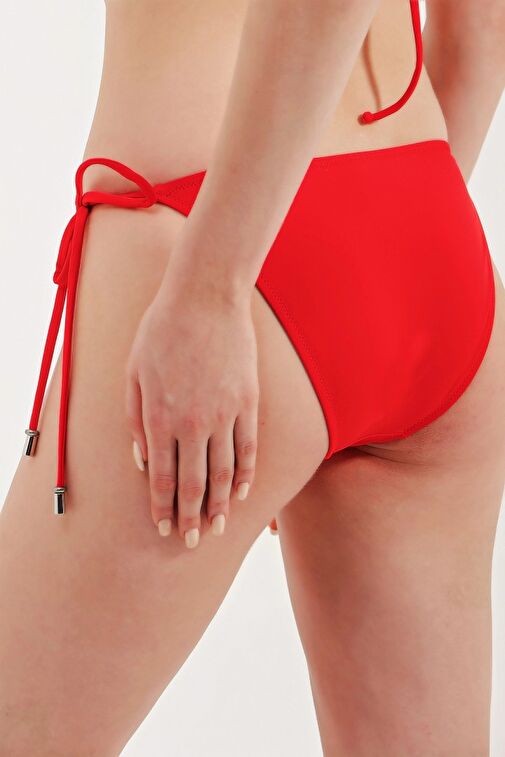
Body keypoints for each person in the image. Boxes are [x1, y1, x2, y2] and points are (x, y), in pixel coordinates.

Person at [1, 0, 504, 754]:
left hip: (215, 241)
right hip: (428, 234)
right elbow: (481, 28)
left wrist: (214, 286)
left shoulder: (219, 273)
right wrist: (369, 292)